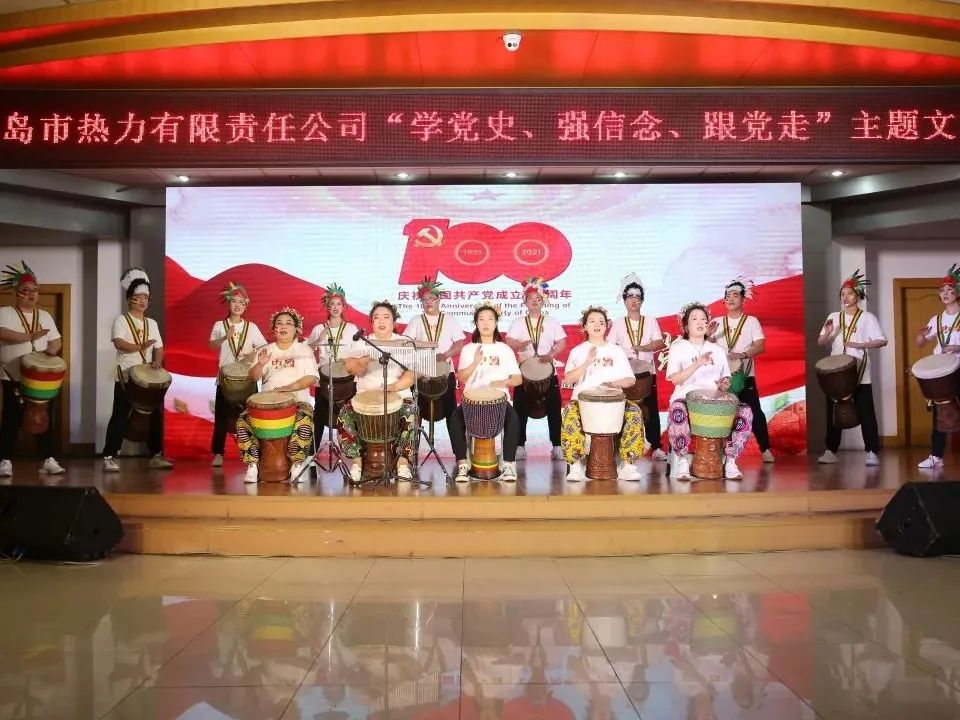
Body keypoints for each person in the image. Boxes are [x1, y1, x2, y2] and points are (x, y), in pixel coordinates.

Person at [665, 302, 753, 481]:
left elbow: (725, 379)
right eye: (694, 319)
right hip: (686, 399)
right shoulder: (678, 347)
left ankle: (730, 461)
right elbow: (675, 379)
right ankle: (682, 460)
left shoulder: (717, 350)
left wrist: (723, 384)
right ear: (686, 326)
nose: (700, 322)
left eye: (703, 319)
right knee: (677, 410)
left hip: (714, 401)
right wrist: (697, 364)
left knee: (745, 411)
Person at [561, 306, 646, 481]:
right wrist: (587, 363)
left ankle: (628, 465)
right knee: (569, 413)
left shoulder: (616, 351)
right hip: (583, 401)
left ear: (606, 326)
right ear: (584, 326)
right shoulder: (578, 351)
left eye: (601, 322)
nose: (597, 325)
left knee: (634, 412)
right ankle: (575, 465)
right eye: (592, 321)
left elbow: (630, 380)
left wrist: (613, 384)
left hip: (614, 403)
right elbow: (568, 378)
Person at [102, 268, 174, 472]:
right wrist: (139, 347)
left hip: (148, 378)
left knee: (154, 417)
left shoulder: (152, 323)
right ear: (129, 299)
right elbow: (118, 342)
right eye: (138, 297)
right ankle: (109, 456)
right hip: (127, 378)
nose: (142, 301)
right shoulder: (122, 320)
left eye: (145, 297)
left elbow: (159, 347)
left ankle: (156, 455)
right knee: (119, 416)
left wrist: (157, 361)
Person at [237, 307, 318, 483]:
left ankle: (297, 464)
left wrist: (289, 388)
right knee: (243, 420)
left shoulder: (304, 350)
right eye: (279, 323)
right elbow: (253, 377)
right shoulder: (265, 350)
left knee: (304, 420)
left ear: (296, 329)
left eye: (288, 323)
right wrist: (260, 363)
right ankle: (252, 465)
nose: (283, 326)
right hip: (267, 406)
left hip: (297, 403)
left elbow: (311, 377)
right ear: (274, 329)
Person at [0, 261, 65, 477]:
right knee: (11, 418)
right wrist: (30, 337)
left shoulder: (44, 315)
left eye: (34, 291)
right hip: (13, 376)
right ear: (17, 293)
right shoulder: (6, 312)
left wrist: (52, 352)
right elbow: (3, 333)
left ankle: (48, 459)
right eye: (26, 290)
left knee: (43, 418)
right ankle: (5, 460)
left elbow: (56, 340)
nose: (31, 294)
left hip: (41, 378)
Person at [339, 301, 416, 482]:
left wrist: (395, 387)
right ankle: (357, 463)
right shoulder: (362, 342)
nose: (381, 321)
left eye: (386, 317)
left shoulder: (404, 343)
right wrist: (368, 358)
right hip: (365, 400)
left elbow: (412, 374)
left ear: (394, 322)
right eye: (376, 318)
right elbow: (351, 368)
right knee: (345, 413)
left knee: (411, 412)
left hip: (397, 397)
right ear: (371, 322)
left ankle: (403, 464)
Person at [816, 269, 887, 466]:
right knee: (834, 412)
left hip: (859, 370)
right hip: (836, 373)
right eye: (842, 294)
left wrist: (859, 345)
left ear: (857, 296)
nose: (845, 297)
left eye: (849, 293)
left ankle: (871, 451)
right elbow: (821, 342)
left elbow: (882, 341)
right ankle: (831, 450)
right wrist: (828, 332)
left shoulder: (867, 317)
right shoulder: (834, 316)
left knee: (866, 411)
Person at [449, 302, 522, 482]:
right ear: (476, 323)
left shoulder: (504, 349)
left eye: (490, 319)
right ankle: (463, 465)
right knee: (454, 420)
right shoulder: (469, 349)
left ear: (496, 323)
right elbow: (461, 377)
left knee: (514, 420)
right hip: (472, 401)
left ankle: (508, 465)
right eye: (481, 319)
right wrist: (475, 362)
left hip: (499, 400)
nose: (486, 323)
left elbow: (518, 379)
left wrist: (503, 382)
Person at [707, 277, 774, 463]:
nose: (730, 298)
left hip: (745, 375)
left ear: (743, 299)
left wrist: (743, 355)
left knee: (756, 413)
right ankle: (718, 451)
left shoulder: (751, 321)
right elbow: (705, 347)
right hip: (721, 378)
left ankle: (765, 448)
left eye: (735, 295)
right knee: (720, 414)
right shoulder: (717, 322)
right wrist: (708, 336)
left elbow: (760, 346)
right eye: (727, 296)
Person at [505, 276, 566, 460]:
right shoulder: (518, 322)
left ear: (543, 301)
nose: (534, 301)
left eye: (538, 299)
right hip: (524, 373)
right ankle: (519, 445)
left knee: (554, 409)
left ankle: (557, 445)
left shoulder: (552, 321)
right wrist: (520, 345)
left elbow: (562, 342)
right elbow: (509, 341)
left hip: (547, 372)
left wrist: (551, 355)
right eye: (531, 298)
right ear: (525, 302)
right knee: (519, 410)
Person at [607, 273, 666, 461]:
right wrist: (623, 354)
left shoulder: (650, 321)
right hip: (625, 373)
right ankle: (618, 443)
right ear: (625, 301)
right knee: (620, 408)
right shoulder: (618, 323)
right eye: (630, 297)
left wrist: (644, 348)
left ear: (642, 300)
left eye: (637, 297)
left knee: (651, 409)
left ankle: (656, 446)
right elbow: (609, 346)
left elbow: (659, 342)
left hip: (646, 372)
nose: (634, 300)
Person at [208, 282, 266, 468]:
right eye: (234, 301)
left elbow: (264, 347)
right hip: (225, 379)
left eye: (241, 302)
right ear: (229, 303)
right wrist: (225, 337)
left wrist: (253, 354)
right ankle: (218, 453)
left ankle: (254, 453)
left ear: (246, 305)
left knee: (251, 417)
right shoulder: (220, 325)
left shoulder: (251, 327)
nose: (237, 305)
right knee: (221, 418)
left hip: (247, 378)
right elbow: (212, 345)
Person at [404, 276, 466, 432]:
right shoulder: (416, 320)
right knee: (416, 410)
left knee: (451, 412)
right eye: (424, 300)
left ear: (439, 299)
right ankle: (414, 445)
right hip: (421, 372)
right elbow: (405, 343)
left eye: (431, 298)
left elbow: (459, 343)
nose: (428, 302)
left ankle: (457, 447)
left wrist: (446, 354)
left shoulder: (449, 319)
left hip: (445, 371)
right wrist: (419, 349)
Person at [915, 264, 960, 469]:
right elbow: (920, 343)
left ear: (957, 293)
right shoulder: (936, 319)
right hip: (941, 372)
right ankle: (936, 457)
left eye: (950, 290)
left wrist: (957, 347)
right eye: (942, 291)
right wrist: (921, 335)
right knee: (939, 414)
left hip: (958, 367)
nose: (945, 294)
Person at [306, 283, 359, 439]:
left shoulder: (351, 328)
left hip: (347, 378)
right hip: (325, 378)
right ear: (327, 307)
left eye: (338, 304)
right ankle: (313, 451)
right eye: (331, 304)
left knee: (351, 415)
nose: (335, 307)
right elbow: (307, 350)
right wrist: (320, 338)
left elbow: (359, 352)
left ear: (343, 306)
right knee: (319, 415)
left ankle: (352, 449)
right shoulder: (318, 328)